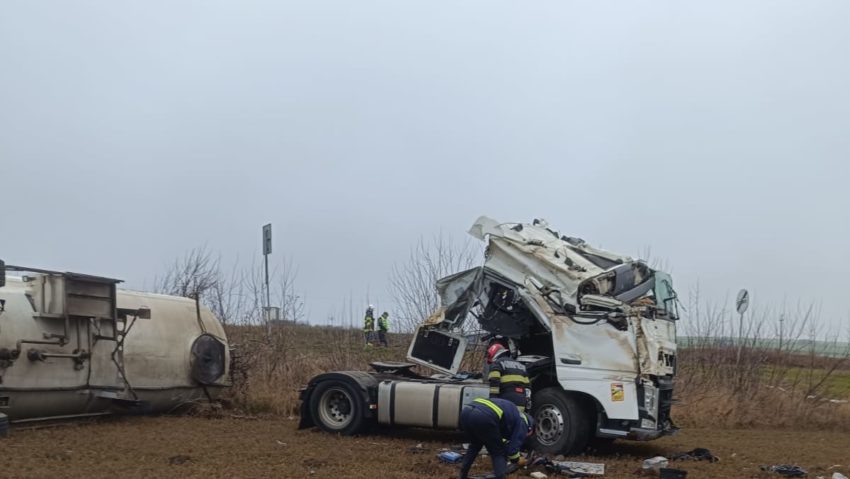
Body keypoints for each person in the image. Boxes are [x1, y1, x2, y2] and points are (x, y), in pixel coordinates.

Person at [458, 397, 534, 479]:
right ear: (531, 429)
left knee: (474, 446)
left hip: (466, 412)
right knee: (498, 452)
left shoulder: (514, 415)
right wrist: (517, 460)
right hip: (483, 416)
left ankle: (462, 475)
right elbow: (512, 451)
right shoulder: (524, 423)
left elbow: (498, 437)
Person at [487, 343, 531, 411]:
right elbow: (528, 386)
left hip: (506, 399)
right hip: (521, 400)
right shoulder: (520, 365)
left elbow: (494, 381)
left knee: (505, 420)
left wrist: (493, 399)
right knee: (518, 419)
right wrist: (527, 399)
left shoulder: (497, 363)